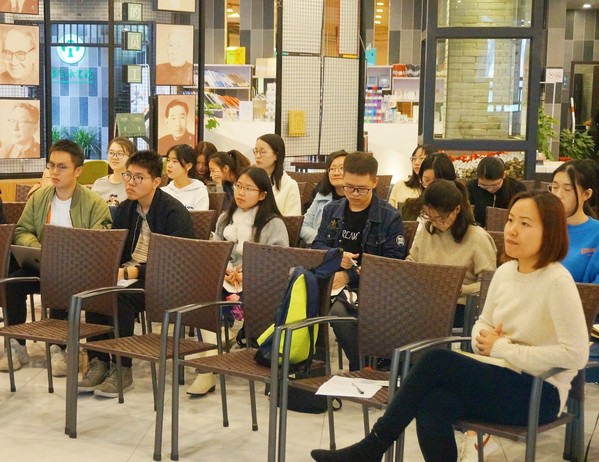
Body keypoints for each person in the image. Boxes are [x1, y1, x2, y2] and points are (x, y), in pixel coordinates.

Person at [311, 190, 589, 462]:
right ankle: (370, 450)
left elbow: (575, 355)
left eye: (525, 224)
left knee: (436, 360)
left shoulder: (557, 281)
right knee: (433, 404)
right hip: (499, 376)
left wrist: (502, 348)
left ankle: (371, 448)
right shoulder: (505, 273)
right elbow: (483, 323)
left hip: (540, 392)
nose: (512, 230)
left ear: (550, 232)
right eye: (510, 220)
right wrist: (485, 339)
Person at [79, 150, 194, 398]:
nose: (130, 182)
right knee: (96, 289)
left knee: (120, 296)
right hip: (129, 276)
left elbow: (175, 263)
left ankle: (123, 367)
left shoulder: (174, 213)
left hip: (164, 283)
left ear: (156, 181)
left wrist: (132, 271)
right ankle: (99, 361)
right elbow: (115, 249)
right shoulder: (125, 209)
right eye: (128, 175)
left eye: (138, 178)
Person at [0, 140, 112, 374]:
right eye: (51, 165)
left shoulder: (94, 203)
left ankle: (58, 348)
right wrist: (40, 248)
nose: (54, 172)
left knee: (62, 285)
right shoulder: (39, 197)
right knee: (12, 283)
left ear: (78, 171)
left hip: (78, 271)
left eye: (62, 167)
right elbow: (22, 230)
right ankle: (16, 346)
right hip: (42, 264)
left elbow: (102, 240)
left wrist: (69, 253)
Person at [187, 166, 289, 395]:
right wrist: (224, 269)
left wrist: (248, 272)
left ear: (262, 194)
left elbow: (280, 263)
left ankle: (209, 365)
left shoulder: (273, 224)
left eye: (249, 188)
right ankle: (209, 365)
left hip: (259, 283)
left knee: (227, 296)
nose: (241, 193)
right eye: (238, 186)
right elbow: (215, 252)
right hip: (228, 278)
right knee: (203, 292)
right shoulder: (225, 218)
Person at [312, 152, 406, 371]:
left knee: (340, 313)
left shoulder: (389, 217)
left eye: (361, 189)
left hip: (370, 288)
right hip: (332, 282)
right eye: (348, 187)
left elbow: (392, 262)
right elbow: (317, 246)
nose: (354, 194)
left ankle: (363, 368)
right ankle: (312, 370)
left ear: (374, 182)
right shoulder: (332, 210)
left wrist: (349, 275)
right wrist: (337, 256)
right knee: (302, 297)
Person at [408, 179, 497, 326]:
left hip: (459, 307)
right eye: (430, 217)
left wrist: (460, 289)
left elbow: (488, 284)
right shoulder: (428, 230)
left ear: (456, 209)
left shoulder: (477, 237)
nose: (435, 223)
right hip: (425, 300)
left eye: (440, 219)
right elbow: (412, 260)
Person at [549, 159, 599, 283]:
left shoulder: (595, 234)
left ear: (586, 194)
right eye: (554, 187)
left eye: (567, 189)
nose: (558, 195)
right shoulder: (541, 227)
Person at [300, 150, 348, 245]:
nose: (336, 173)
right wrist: (320, 241)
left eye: (341, 168)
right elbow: (303, 225)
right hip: (317, 248)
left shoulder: (356, 200)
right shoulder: (321, 195)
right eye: (332, 169)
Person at [467, 156, 526, 227]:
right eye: (484, 185)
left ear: (504, 175)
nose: (490, 189)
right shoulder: (471, 187)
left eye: (495, 185)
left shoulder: (517, 189)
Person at [254, 134, 301, 215]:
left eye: (262, 152)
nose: (257, 156)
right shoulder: (251, 180)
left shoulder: (290, 185)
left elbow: (292, 219)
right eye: (255, 151)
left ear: (276, 155)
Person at [401, 152, 456, 221]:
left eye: (436, 182)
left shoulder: (456, 210)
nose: (431, 186)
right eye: (426, 180)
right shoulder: (409, 207)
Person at [161, 144, 209, 211]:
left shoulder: (199, 191)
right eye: (168, 160)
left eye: (175, 161)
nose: (169, 165)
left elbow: (201, 216)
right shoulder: (162, 192)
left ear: (188, 166)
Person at [91, 137, 137, 205]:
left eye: (120, 154)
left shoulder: (135, 185)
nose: (114, 157)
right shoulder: (99, 184)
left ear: (131, 157)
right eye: (111, 153)